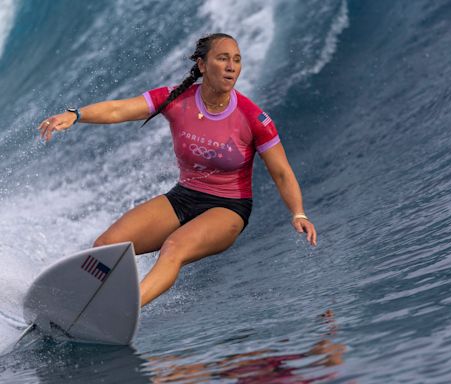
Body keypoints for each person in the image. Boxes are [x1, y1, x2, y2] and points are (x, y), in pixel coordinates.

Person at [38, 33, 317, 307]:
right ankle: (80, 304)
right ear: (202, 65)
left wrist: (298, 212)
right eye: (223, 58)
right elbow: (118, 110)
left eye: (237, 60)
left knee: (174, 247)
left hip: (229, 208)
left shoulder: (253, 117)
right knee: (106, 245)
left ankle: (124, 309)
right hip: (183, 197)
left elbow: (281, 171)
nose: (232, 66)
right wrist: (76, 115)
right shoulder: (176, 98)